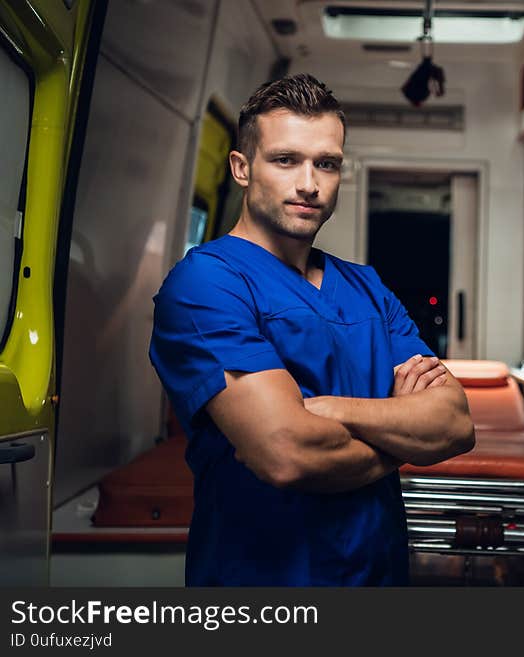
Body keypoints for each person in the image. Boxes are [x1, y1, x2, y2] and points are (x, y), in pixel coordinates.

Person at [149, 74, 475, 586]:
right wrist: (407, 438)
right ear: (241, 168)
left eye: (327, 164)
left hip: (379, 576)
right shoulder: (206, 283)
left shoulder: (366, 286)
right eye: (285, 160)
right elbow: (288, 453)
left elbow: (455, 424)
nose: (309, 182)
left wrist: (330, 410)